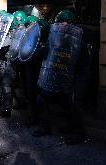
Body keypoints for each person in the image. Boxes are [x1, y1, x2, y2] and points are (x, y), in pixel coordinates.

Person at [34, 10, 86, 145]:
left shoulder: (79, 40)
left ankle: (79, 133)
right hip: (54, 78)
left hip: (72, 79)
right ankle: (45, 127)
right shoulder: (53, 38)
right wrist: (43, 49)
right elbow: (44, 55)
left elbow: (80, 64)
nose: (63, 26)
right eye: (60, 23)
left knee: (72, 104)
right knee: (41, 99)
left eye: (65, 23)